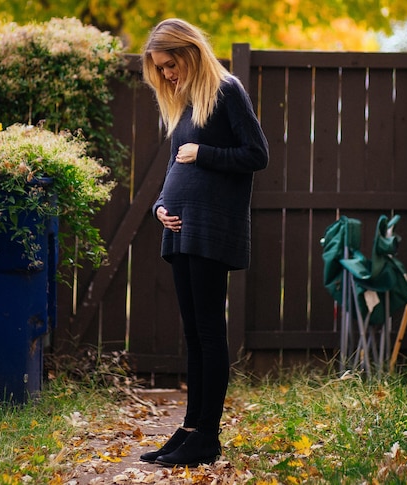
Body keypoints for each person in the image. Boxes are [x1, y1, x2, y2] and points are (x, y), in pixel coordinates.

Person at [138, 18, 269, 467]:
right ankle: (191, 427)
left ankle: (207, 437)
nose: (167, 75)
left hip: (212, 228)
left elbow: (257, 154)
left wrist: (206, 154)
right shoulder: (186, 102)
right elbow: (177, 165)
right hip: (180, 228)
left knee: (210, 332)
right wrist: (159, 205)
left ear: (190, 52)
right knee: (193, 334)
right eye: (160, 69)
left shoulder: (226, 90)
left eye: (171, 65)